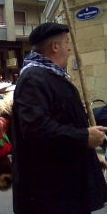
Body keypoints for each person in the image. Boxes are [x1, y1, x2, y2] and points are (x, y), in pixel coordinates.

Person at [11, 22, 107, 214]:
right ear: (55, 46)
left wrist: (88, 154)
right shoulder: (33, 79)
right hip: (51, 195)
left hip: (66, 188)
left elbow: (64, 124)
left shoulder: (51, 77)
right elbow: (36, 130)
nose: (69, 48)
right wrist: (84, 137)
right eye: (66, 43)